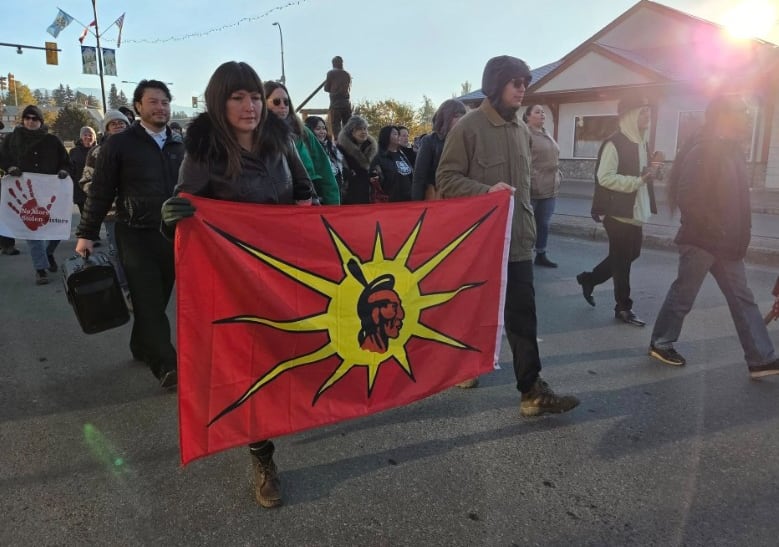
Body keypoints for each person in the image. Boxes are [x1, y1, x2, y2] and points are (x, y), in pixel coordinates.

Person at [160, 60, 313, 509]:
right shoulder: (203, 152)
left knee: (294, 351)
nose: (249, 107)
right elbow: (186, 217)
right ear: (219, 101)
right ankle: (262, 456)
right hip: (236, 283)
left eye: (253, 97)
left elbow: (303, 190)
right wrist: (170, 220)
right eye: (237, 97)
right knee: (254, 368)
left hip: (288, 272)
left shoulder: (281, 141)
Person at [437, 55, 580, 416]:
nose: (522, 89)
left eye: (525, 82)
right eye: (515, 82)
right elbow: (446, 180)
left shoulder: (521, 131)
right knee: (473, 309)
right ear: (496, 83)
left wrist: (530, 231)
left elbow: (526, 188)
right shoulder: (468, 128)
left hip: (516, 241)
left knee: (523, 315)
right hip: (480, 244)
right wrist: (485, 191)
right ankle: (466, 365)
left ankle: (531, 389)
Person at [648, 95, 779, 377]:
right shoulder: (705, 150)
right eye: (742, 111)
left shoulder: (732, 151)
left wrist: (738, 235)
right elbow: (688, 196)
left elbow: (737, 202)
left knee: (743, 300)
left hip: (726, 245)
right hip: (703, 242)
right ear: (724, 116)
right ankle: (661, 342)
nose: (748, 117)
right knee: (684, 295)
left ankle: (761, 358)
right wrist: (714, 229)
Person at [75, 80, 184, 389]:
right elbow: (100, 191)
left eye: (164, 102)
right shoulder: (119, 144)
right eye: (153, 102)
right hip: (134, 233)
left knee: (158, 297)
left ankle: (140, 344)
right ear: (138, 107)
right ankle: (166, 363)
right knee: (148, 299)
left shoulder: (179, 145)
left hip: (171, 236)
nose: (160, 107)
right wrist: (86, 233)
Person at [576, 97, 659, 326]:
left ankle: (589, 279)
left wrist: (651, 173)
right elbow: (604, 177)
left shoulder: (641, 142)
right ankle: (623, 308)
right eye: (643, 112)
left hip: (634, 210)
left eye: (648, 112)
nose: (647, 117)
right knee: (622, 261)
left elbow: (639, 172)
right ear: (630, 116)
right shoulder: (615, 143)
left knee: (630, 255)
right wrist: (637, 181)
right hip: (617, 212)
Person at [0, 104, 70, 284]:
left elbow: (66, 161)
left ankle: (48, 252)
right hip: (24, 192)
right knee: (33, 231)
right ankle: (40, 269)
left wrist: (63, 171)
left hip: (50, 192)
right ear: (23, 120)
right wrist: (10, 167)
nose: (30, 121)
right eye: (27, 118)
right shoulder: (12, 139)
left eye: (34, 118)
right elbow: (3, 157)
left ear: (40, 121)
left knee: (58, 227)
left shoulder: (52, 140)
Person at [79, 110, 131, 296]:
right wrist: (106, 193)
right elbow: (86, 182)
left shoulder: (139, 147)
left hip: (139, 211)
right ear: (106, 129)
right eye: (113, 123)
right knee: (118, 252)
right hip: (112, 213)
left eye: (121, 122)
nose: (118, 125)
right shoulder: (97, 152)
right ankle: (126, 289)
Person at [264, 81, 340, 205]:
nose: (283, 106)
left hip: (309, 203)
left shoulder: (302, 132)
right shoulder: (255, 134)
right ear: (263, 102)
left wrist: (333, 207)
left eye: (286, 102)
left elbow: (324, 170)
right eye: (276, 101)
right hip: (274, 207)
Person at [523, 105, 561, 268]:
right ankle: (522, 256)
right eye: (537, 112)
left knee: (544, 223)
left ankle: (541, 254)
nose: (542, 114)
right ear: (528, 117)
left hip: (550, 186)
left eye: (543, 111)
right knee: (527, 225)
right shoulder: (525, 134)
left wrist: (559, 175)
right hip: (533, 187)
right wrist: (531, 177)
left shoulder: (546, 132)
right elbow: (523, 160)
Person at [411, 99, 466, 201]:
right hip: (437, 199)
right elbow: (419, 177)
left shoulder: (466, 140)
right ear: (445, 117)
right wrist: (416, 207)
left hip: (461, 198)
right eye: (456, 116)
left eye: (463, 115)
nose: (461, 119)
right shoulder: (429, 141)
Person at [337, 115, 378, 205]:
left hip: (370, 195)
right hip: (349, 195)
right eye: (360, 129)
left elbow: (376, 168)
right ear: (351, 131)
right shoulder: (341, 148)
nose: (364, 132)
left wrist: (376, 175)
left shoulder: (372, 148)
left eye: (365, 129)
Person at [304, 115, 346, 200]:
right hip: (318, 193)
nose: (322, 131)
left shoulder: (332, 148)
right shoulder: (306, 151)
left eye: (324, 128)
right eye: (318, 129)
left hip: (335, 192)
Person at [369, 126, 413, 202]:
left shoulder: (402, 154)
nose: (399, 136)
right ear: (386, 136)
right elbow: (375, 182)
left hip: (408, 199)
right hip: (390, 201)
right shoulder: (378, 157)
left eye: (399, 134)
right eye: (395, 134)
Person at [68, 126, 96, 216]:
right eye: (85, 135)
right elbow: (70, 169)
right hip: (80, 191)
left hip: (96, 191)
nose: (87, 137)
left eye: (90, 135)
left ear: (94, 137)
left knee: (96, 217)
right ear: (81, 137)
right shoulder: (74, 152)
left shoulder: (101, 150)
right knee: (85, 217)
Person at [324, 55, 352, 138]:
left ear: (333, 64)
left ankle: (338, 143)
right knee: (348, 126)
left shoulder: (331, 73)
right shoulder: (347, 74)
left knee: (336, 125)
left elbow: (326, 88)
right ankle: (348, 142)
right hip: (346, 103)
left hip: (335, 103)